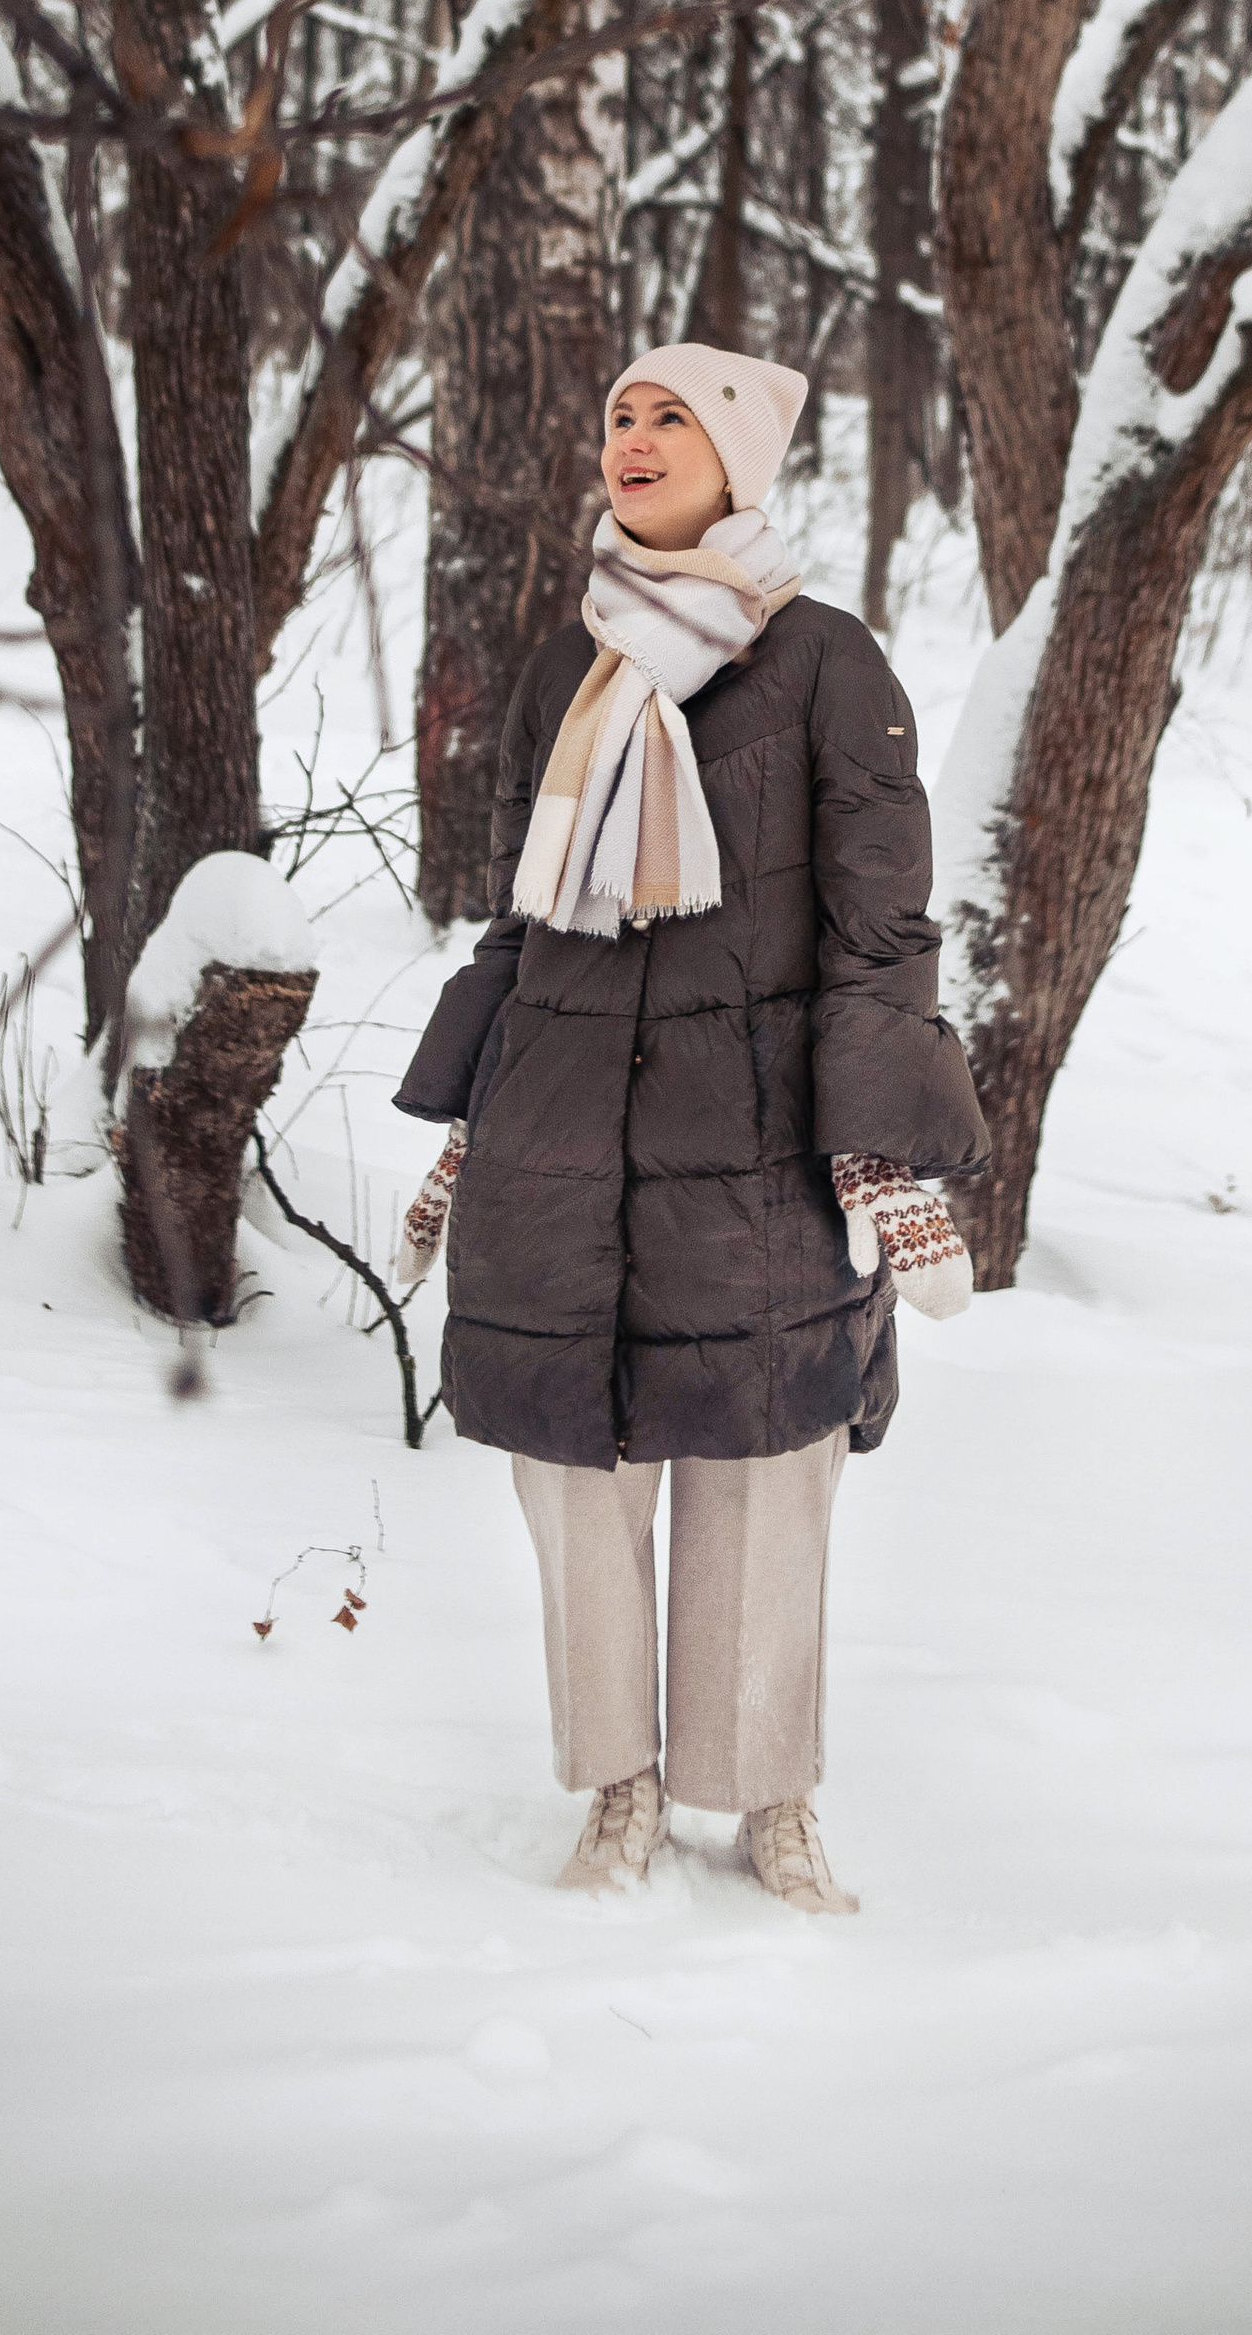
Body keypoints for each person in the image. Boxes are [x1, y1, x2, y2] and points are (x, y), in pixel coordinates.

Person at [391, 341, 989, 1913]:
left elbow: (881, 928)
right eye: (621, 415)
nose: (636, 439)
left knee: (765, 1472)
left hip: (757, 1155)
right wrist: (465, 1125)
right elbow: (521, 928)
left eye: (674, 418)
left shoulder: (825, 662)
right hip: (562, 1147)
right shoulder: (565, 665)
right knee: (577, 1482)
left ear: (740, 460)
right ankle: (621, 1788)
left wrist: (880, 1153)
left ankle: (770, 1797)